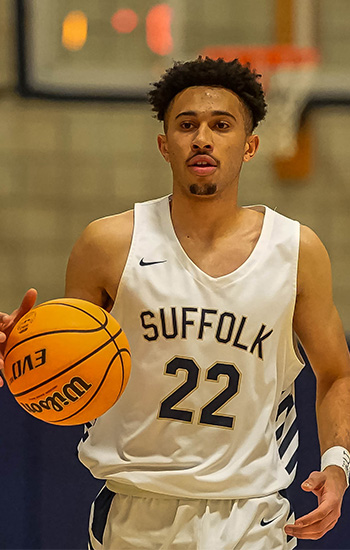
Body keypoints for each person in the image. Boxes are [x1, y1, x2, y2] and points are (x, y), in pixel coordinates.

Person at [1, 57, 350, 550]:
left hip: (251, 515)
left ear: (249, 146)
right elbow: (71, 381)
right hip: (132, 509)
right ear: (165, 145)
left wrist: (337, 466)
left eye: (220, 126)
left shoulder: (296, 250)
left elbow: (337, 372)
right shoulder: (106, 245)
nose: (202, 138)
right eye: (187, 126)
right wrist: (22, 357)